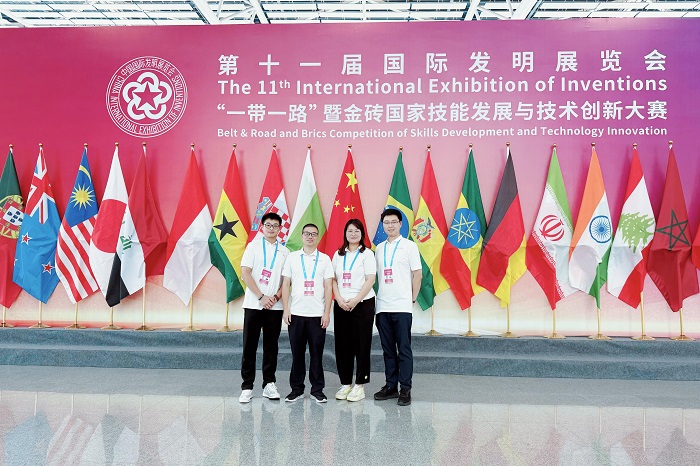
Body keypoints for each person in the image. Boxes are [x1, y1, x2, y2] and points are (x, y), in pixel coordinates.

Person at [238, 212, 290, 403]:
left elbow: (286, 281)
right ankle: (247, 386)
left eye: (275, 226)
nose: (271, 228)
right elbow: (245, 273)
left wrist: (275, 297)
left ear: (280, 229)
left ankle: (269, 383)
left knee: (271, 346)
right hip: (254, 304)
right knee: (249, 346)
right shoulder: (253, 247)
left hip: (274, 307)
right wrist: (261, 297)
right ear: (262, 227)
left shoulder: (285, 252)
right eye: (268, 225)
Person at [373, 208, 421, 406]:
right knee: (388, 350)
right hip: (382, 306)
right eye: (386, 222)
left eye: (394, 222)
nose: (390, 225)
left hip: (402, 307)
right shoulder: (379, 248)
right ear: (382, 225)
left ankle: (405, 388)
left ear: (400, 224)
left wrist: (412, 299)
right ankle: (391, 386)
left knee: (404, 349)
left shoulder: (409, 246)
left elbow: (417, 274)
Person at [281, 223, 334, 403]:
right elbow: (285, 284)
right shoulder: (292, 258)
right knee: (297, 354)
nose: (310, 236)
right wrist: (286, 309)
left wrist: (326, 313)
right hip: (296, 314)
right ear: (302, 236)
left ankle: (317, 390)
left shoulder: (325, 259)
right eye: (307, 233)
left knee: (317, 354)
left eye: (314, 234)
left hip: (317, 315)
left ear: (317, 237)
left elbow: (328, 287)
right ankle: (296, 389)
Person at [331, 219, 376, 402]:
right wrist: (339, 299)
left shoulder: (367, 254)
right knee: (342, 345)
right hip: (341, 304)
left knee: (362, 343)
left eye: (357, 231)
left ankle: (360, 385)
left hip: (363, 304)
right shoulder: (338, 254)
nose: (353, 234)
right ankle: (345, 383)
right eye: (350, 231)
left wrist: (356, 300)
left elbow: (370, 279)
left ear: (362, 234)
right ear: (345, 233)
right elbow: (332, 280)